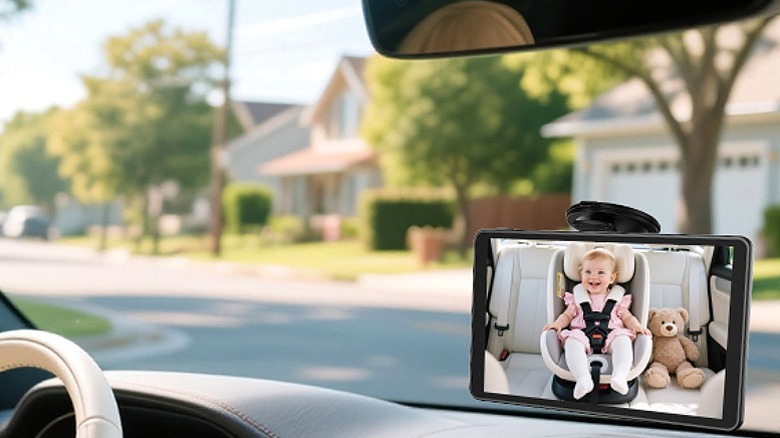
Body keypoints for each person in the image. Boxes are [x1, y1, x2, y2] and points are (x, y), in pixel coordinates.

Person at [543, 248, 651, 399]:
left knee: (623, 341)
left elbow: (627, 317)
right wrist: (557, 324)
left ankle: (619, 376)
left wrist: (637, 327)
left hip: (613, 335)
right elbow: (567, 315)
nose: (593, 276)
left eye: (601, 272)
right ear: (581, 274)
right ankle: (582, 379)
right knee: (571, 342)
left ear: (612, 278)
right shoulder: (576, 297)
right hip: (582, 335)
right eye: (588, 272)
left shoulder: (618, 298)